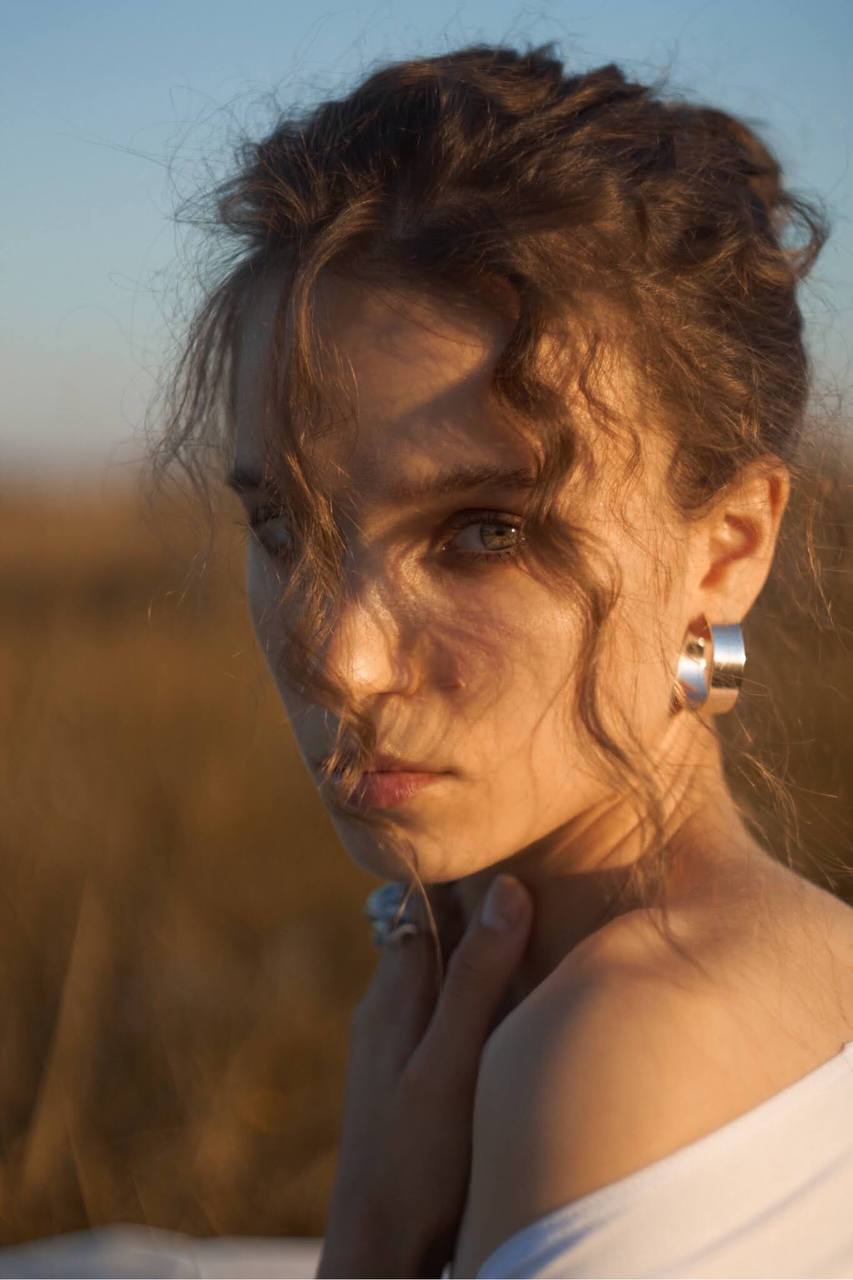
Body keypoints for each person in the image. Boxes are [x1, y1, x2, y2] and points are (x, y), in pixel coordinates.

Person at [9, 39, 849, 1280]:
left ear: (724, 549)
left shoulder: (624, 1039)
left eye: (483, 532)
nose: (340, 659)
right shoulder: (794, 954)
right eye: (282, 525)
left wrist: (368, 1235)